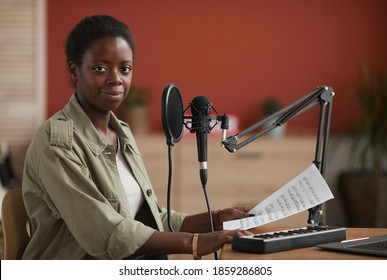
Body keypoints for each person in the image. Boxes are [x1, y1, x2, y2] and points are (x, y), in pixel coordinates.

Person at [21, 14, 252, 260]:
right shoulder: (56, 142)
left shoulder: (122, 133)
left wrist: (216, 220)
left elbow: (150, 218)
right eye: (100, 68)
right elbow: (105, 232)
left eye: (125, 68)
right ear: (74, 71)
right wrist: (193, 243)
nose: (116, 78)